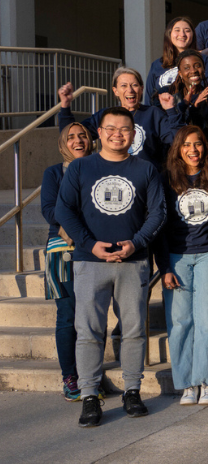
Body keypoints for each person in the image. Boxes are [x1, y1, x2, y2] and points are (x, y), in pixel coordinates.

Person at [55, 107, 167, 427]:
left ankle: (133, 389)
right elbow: (64, 211)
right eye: (111, 128)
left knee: (133, 330)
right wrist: (90, 244)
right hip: (91, 263)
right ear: (100, 133)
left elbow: (157, 214)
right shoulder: (80, 168)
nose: (118, 133)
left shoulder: (145, 170)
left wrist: (137, 242)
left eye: (125, 129)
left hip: (133, 262)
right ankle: (90, 396)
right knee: (89, 331)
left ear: (133, 134)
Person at [160, 126, 208, 408]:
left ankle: (207, 381)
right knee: (181, 322)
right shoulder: (167, 180)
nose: (193, 150)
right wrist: (164, 267)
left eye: (198, 144)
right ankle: (186, 383)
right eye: (187, 145)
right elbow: (159, 227)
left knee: (207, 319)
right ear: (178, 149)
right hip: (177, 256)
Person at [41, 122, 97, 401]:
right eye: (71, 137)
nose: (77, 140)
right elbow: (50, 210)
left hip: (93, 250)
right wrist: (77, 229)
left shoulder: (100, 167)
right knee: (67, 316)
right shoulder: (54, 173)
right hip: (62, 250)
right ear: (63, 143)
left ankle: (90, 376)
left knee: (91, 317)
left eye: (83, 135)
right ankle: (70, 377)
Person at [58, 67, 183, 169]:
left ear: (141, 89)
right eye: (123, 86)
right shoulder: (106, 115)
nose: (130, 90)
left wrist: (171, 110)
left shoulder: (153, 114)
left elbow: (177, 140)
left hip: (146, 179)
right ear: (115, 91)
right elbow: (68, 134)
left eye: (134, 85)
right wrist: (65, 105)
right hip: (112, 178)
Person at [145, 16, 208, 106]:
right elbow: (149, 101)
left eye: (187, 30)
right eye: (177, 30)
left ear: (193, 35)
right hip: (163, 118)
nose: (182, 34)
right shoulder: (157, 64)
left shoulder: (205, 61)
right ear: (169, 34)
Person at [170, 50, 208, 140]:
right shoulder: (174, 98)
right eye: (187, 68)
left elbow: (207, 135)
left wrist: (196, 108)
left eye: (197, 66)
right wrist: (186, 105)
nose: (193, 70)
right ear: (180, 73)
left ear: (204, 69)